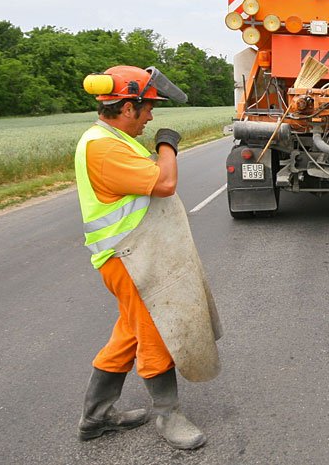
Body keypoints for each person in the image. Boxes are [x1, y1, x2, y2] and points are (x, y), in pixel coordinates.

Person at [74, 65, 213, 450]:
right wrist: (167, 144)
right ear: (128, 106)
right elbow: (164, 183)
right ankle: (168, 414)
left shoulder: (113, 138)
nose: (152, 116)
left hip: (130, 253)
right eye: (148, 108)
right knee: (155, 330)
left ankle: (95, 417)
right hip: (127, 256)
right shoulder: (103, 146)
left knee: (129, 333)